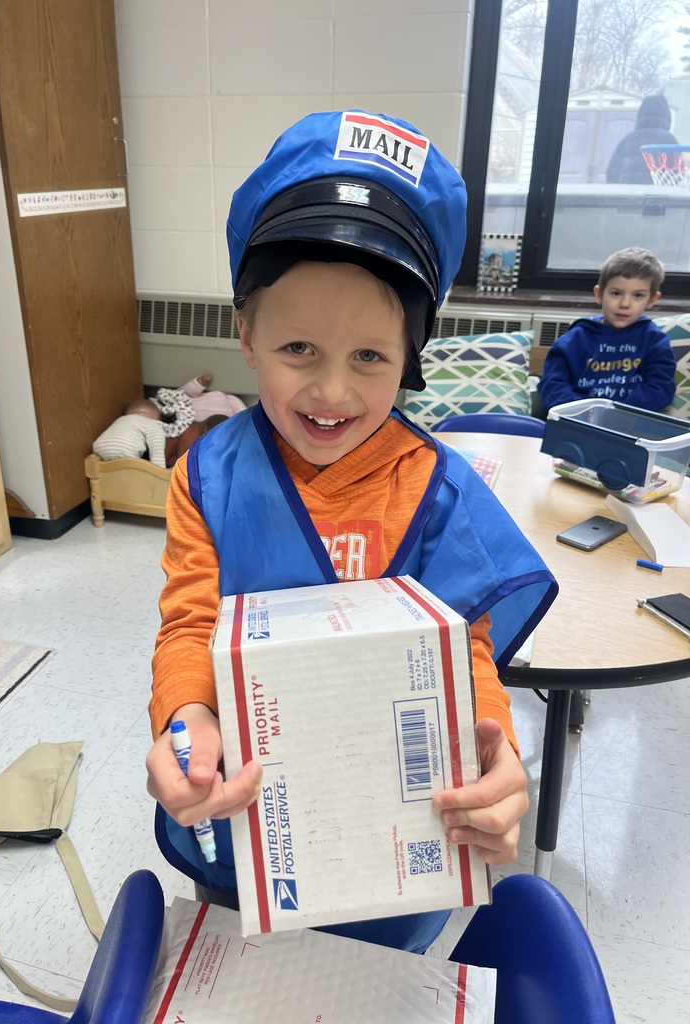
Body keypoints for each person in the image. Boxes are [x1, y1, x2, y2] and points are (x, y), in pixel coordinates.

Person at [146, 110, 558, 954]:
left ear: (410, 358)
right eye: (299, 347)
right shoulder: (209, 476)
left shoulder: (435, 491)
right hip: (247, 803)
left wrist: (495, 747)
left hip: (389, 820)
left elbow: (463, 646)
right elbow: (190, 620)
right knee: (244, 969)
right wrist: (185, 726)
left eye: (370, 357)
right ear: (247, 335)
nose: (331, 392)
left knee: (371, 976)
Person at [537, 247, 676, 414]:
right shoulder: (575, 339)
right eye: (616, 293)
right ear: (599, 294)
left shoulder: (654, 340)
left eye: (637, 295)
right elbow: (552, 385)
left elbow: (661, 388)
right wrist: (581, 414)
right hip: (576, 422)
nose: (625, 304)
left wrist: (617, 414)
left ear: (652, 299)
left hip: (630, 423)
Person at [605, 94, 678, 185]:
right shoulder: (670, 141)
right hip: (657, 197)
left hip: (628, 196)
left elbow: (612, 174)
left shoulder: (627, 141)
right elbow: (677, 175)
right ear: (667, 116)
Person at [92, 398, 168, 467]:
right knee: (137, 473)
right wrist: (161, 473)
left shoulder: (121, 419)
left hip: (99, 446)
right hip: (126, 447)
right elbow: (157, 454)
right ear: (157, 417)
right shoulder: (152, 424)